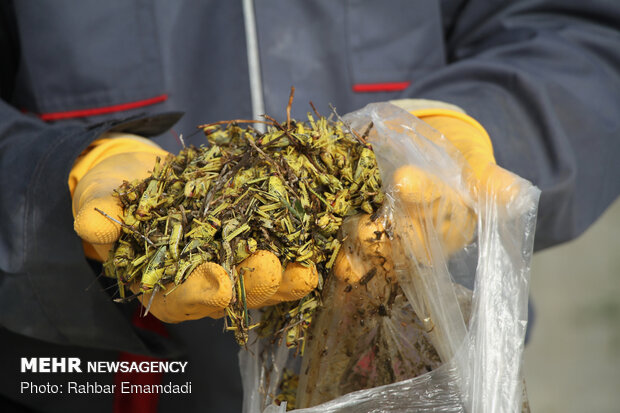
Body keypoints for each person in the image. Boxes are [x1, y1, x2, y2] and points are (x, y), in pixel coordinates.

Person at [1, 1, 618, 412]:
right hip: (94, 386)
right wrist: (44, 187)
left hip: (418, 380)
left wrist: (476, 134)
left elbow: (581, 35)